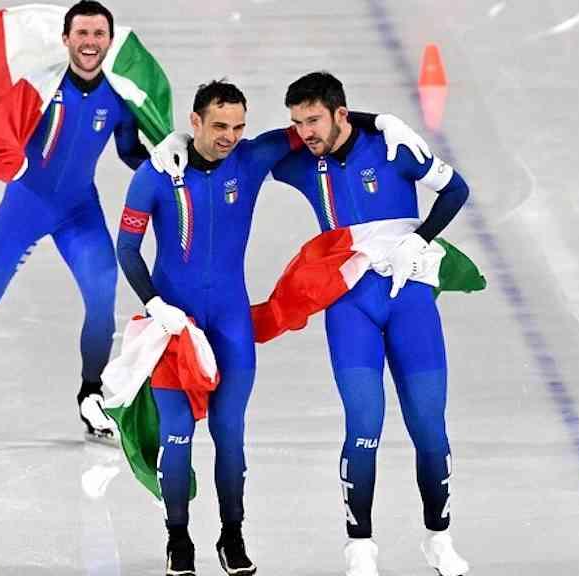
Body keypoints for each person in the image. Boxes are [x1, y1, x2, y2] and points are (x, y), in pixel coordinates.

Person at [118, 78, 423, 575]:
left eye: (238, 126)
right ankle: (179, 538)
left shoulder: (252, 158)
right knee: (177, 436)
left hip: (231, 325)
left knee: (230, 435)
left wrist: (380, 122)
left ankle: (232, 536)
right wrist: (154, 304)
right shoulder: (156, 174)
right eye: (219, 126)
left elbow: (323, 124)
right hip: (176, 328)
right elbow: (127, 249)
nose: (229, 137)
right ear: (195, 122)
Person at [0, 1, 177, 441]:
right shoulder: (38, 86)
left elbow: (129, 152)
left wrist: (166, 167)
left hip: (79, 212)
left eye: (99, 34)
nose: (90, 43)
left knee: (102, 304)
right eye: (82, 34)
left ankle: (90, 394)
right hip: (24, 208)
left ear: (109, 41)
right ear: (65, 39)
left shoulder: (119, 97)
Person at [268, 72, 472, 576]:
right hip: (349, 305)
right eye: (297, 122)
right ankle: (360, 548)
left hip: (408, 297)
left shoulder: (393, 146)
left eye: (314, 120)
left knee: (429, 428)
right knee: (364, 425)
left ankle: (439, 538)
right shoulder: (302, 160)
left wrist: (420, 239)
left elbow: (456, 190)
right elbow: (241, 152)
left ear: (340, 113)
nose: (305, 132)